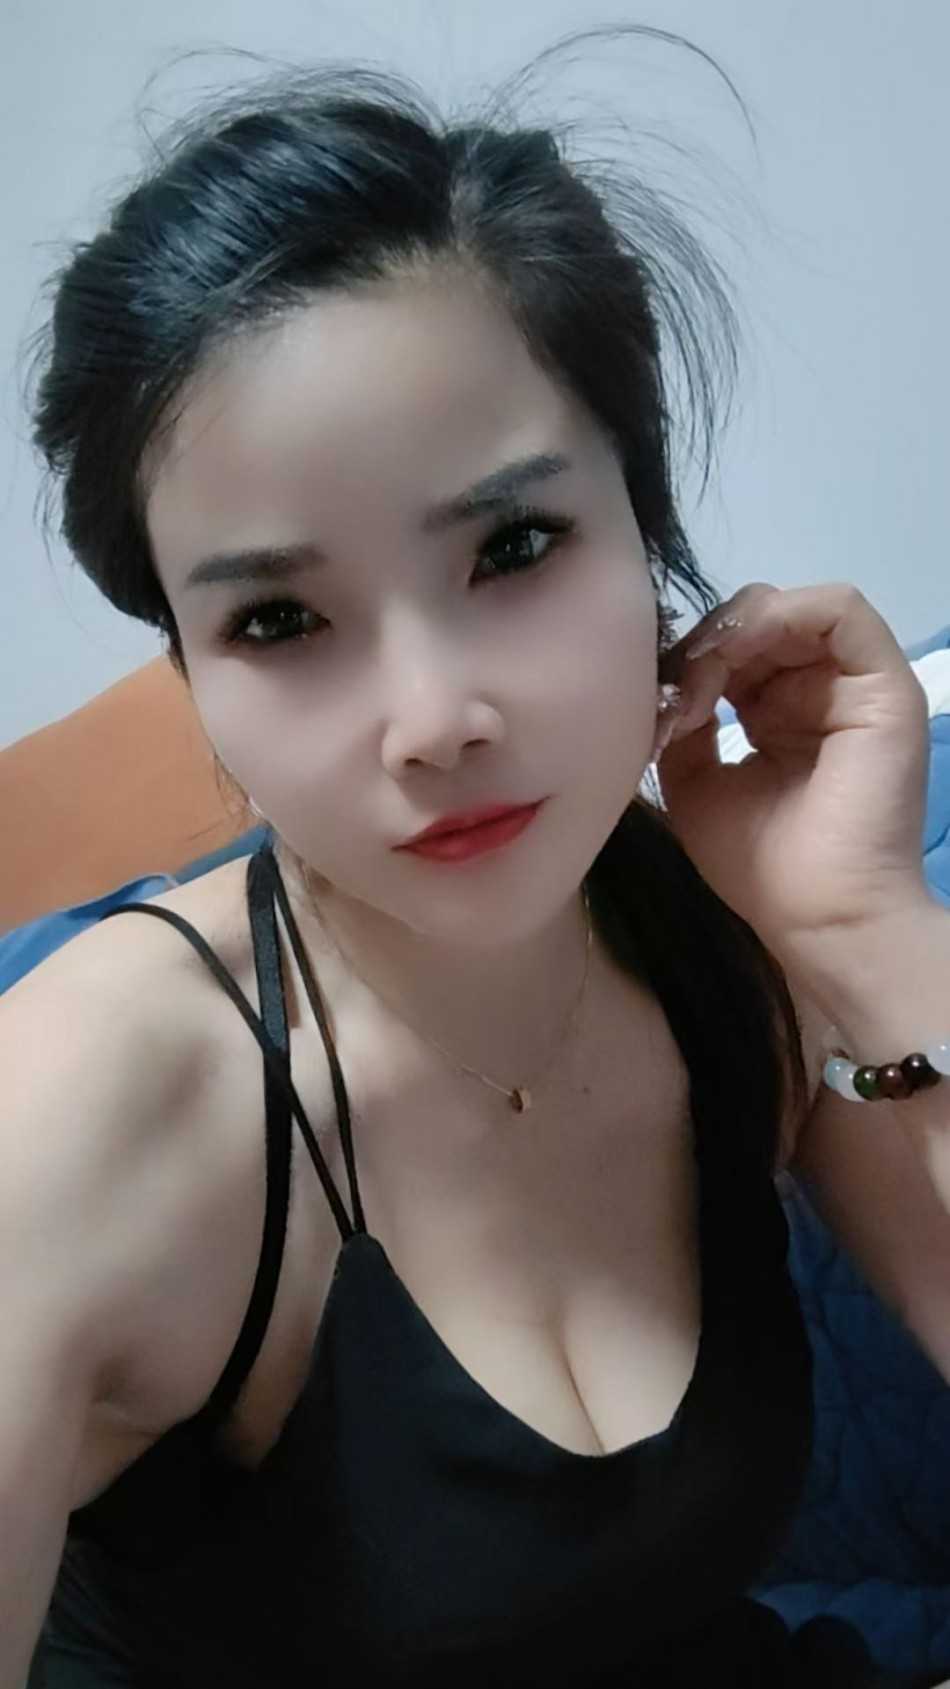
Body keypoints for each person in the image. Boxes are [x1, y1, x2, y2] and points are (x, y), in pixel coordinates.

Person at [5, 24, 948, 1689]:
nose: (434, 719)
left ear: (647, 536)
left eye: (512, 544)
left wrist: (866, 926)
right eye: (279, 619)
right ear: (193, 675)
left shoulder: (724, 941)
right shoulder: (88, 1105)